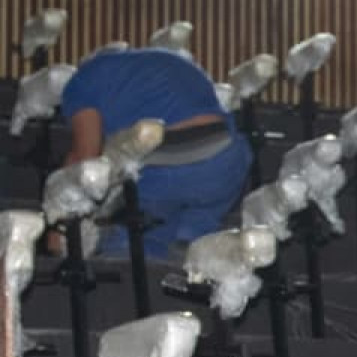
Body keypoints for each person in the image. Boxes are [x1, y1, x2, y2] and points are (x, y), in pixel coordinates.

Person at [57, 46, 252, 258]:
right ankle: (189, 249)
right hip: (227, 162)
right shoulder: (168, 57)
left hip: (165, 164)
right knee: (190, 246)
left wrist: (61, 223)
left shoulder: (82, 81)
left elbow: (85, 158)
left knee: (130, 240)